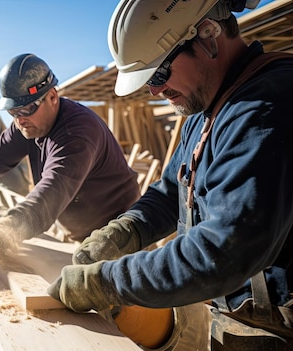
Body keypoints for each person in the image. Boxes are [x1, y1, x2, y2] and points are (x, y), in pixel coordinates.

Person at [48, 1, 293, 350]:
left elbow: (221, 253)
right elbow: (172, 191)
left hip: (279, 330)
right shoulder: (206, 108)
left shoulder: (265, 109)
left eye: (158, 74)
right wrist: (127, 229)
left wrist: (105, 282)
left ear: (208, 36)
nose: (154, 91)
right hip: (239, 314)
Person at [0, 53, 141, 256]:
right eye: (12, 112)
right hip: (84, 233)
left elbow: (51, 191)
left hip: (119, 235)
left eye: (26, 109)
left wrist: (4, 231)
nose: (19, 119)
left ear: (52, 97)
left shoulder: (77, 133)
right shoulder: (26, 123)